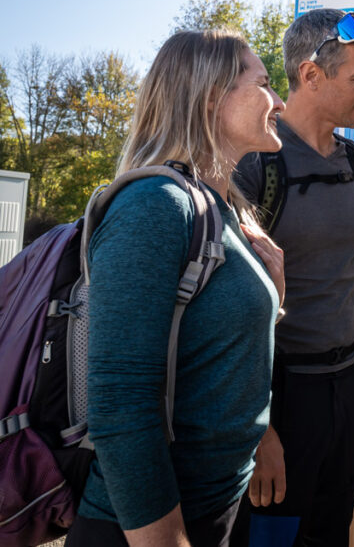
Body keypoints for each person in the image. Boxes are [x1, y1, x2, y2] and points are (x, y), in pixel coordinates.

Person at [66, 30, 287, 547]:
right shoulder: (154, 206)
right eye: (263, 84)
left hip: (213, 508)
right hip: (144, 526)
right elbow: (120, 401)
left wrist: (274, 300)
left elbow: (214, 348)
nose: (278, 102)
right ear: (211, 96)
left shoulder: (223, 207)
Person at [230, 9, 354, 547]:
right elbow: (226, 308)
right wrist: (259, 430)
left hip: (344, 386)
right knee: (270, 537)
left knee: (330, 532)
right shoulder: (255, 163)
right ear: (310, 75)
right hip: (280, 396)